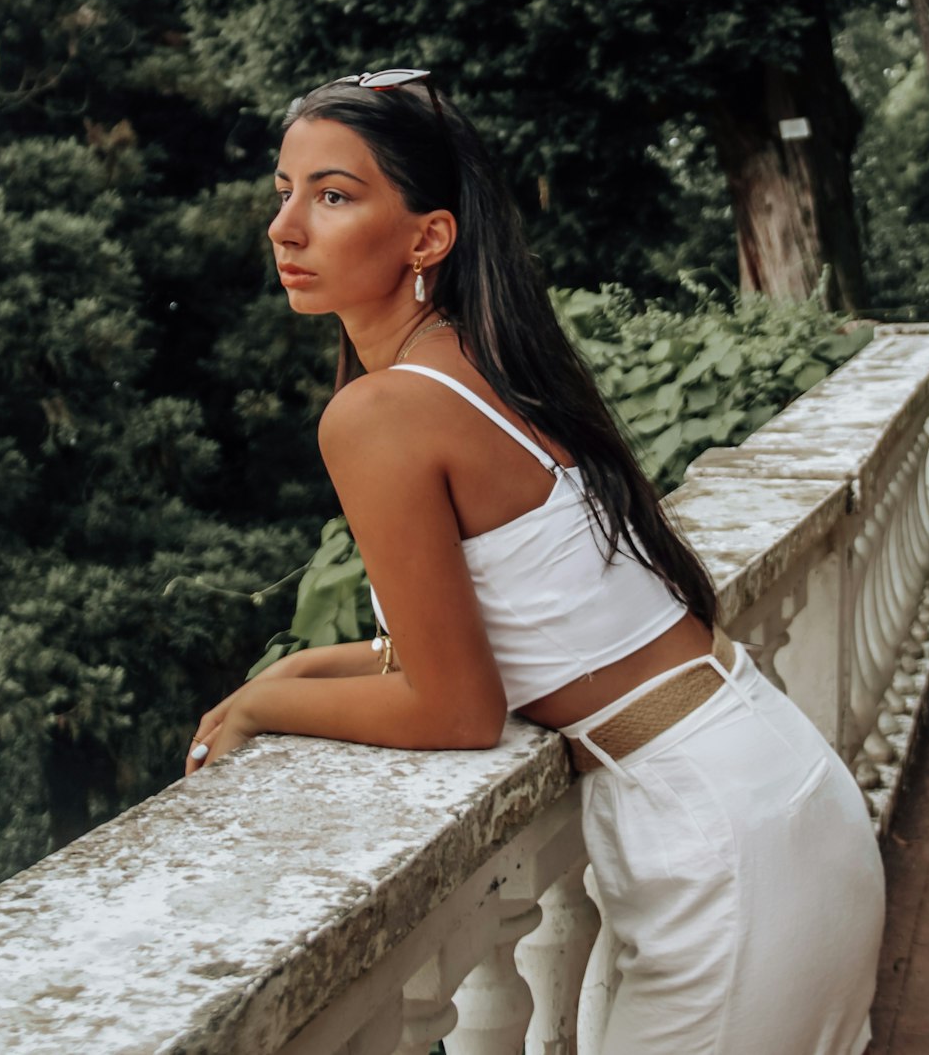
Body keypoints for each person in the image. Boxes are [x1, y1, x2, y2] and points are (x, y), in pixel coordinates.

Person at [187, 69, 885, 1054]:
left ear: (428, 236)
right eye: (284, 192)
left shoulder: (381, 412)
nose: (287, 228)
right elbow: (508, 635)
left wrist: (261, 708)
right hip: (761, 781)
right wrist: (293, 669)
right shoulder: (479, 363)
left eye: (333, 195)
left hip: (722, 840)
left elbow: (455, 708)